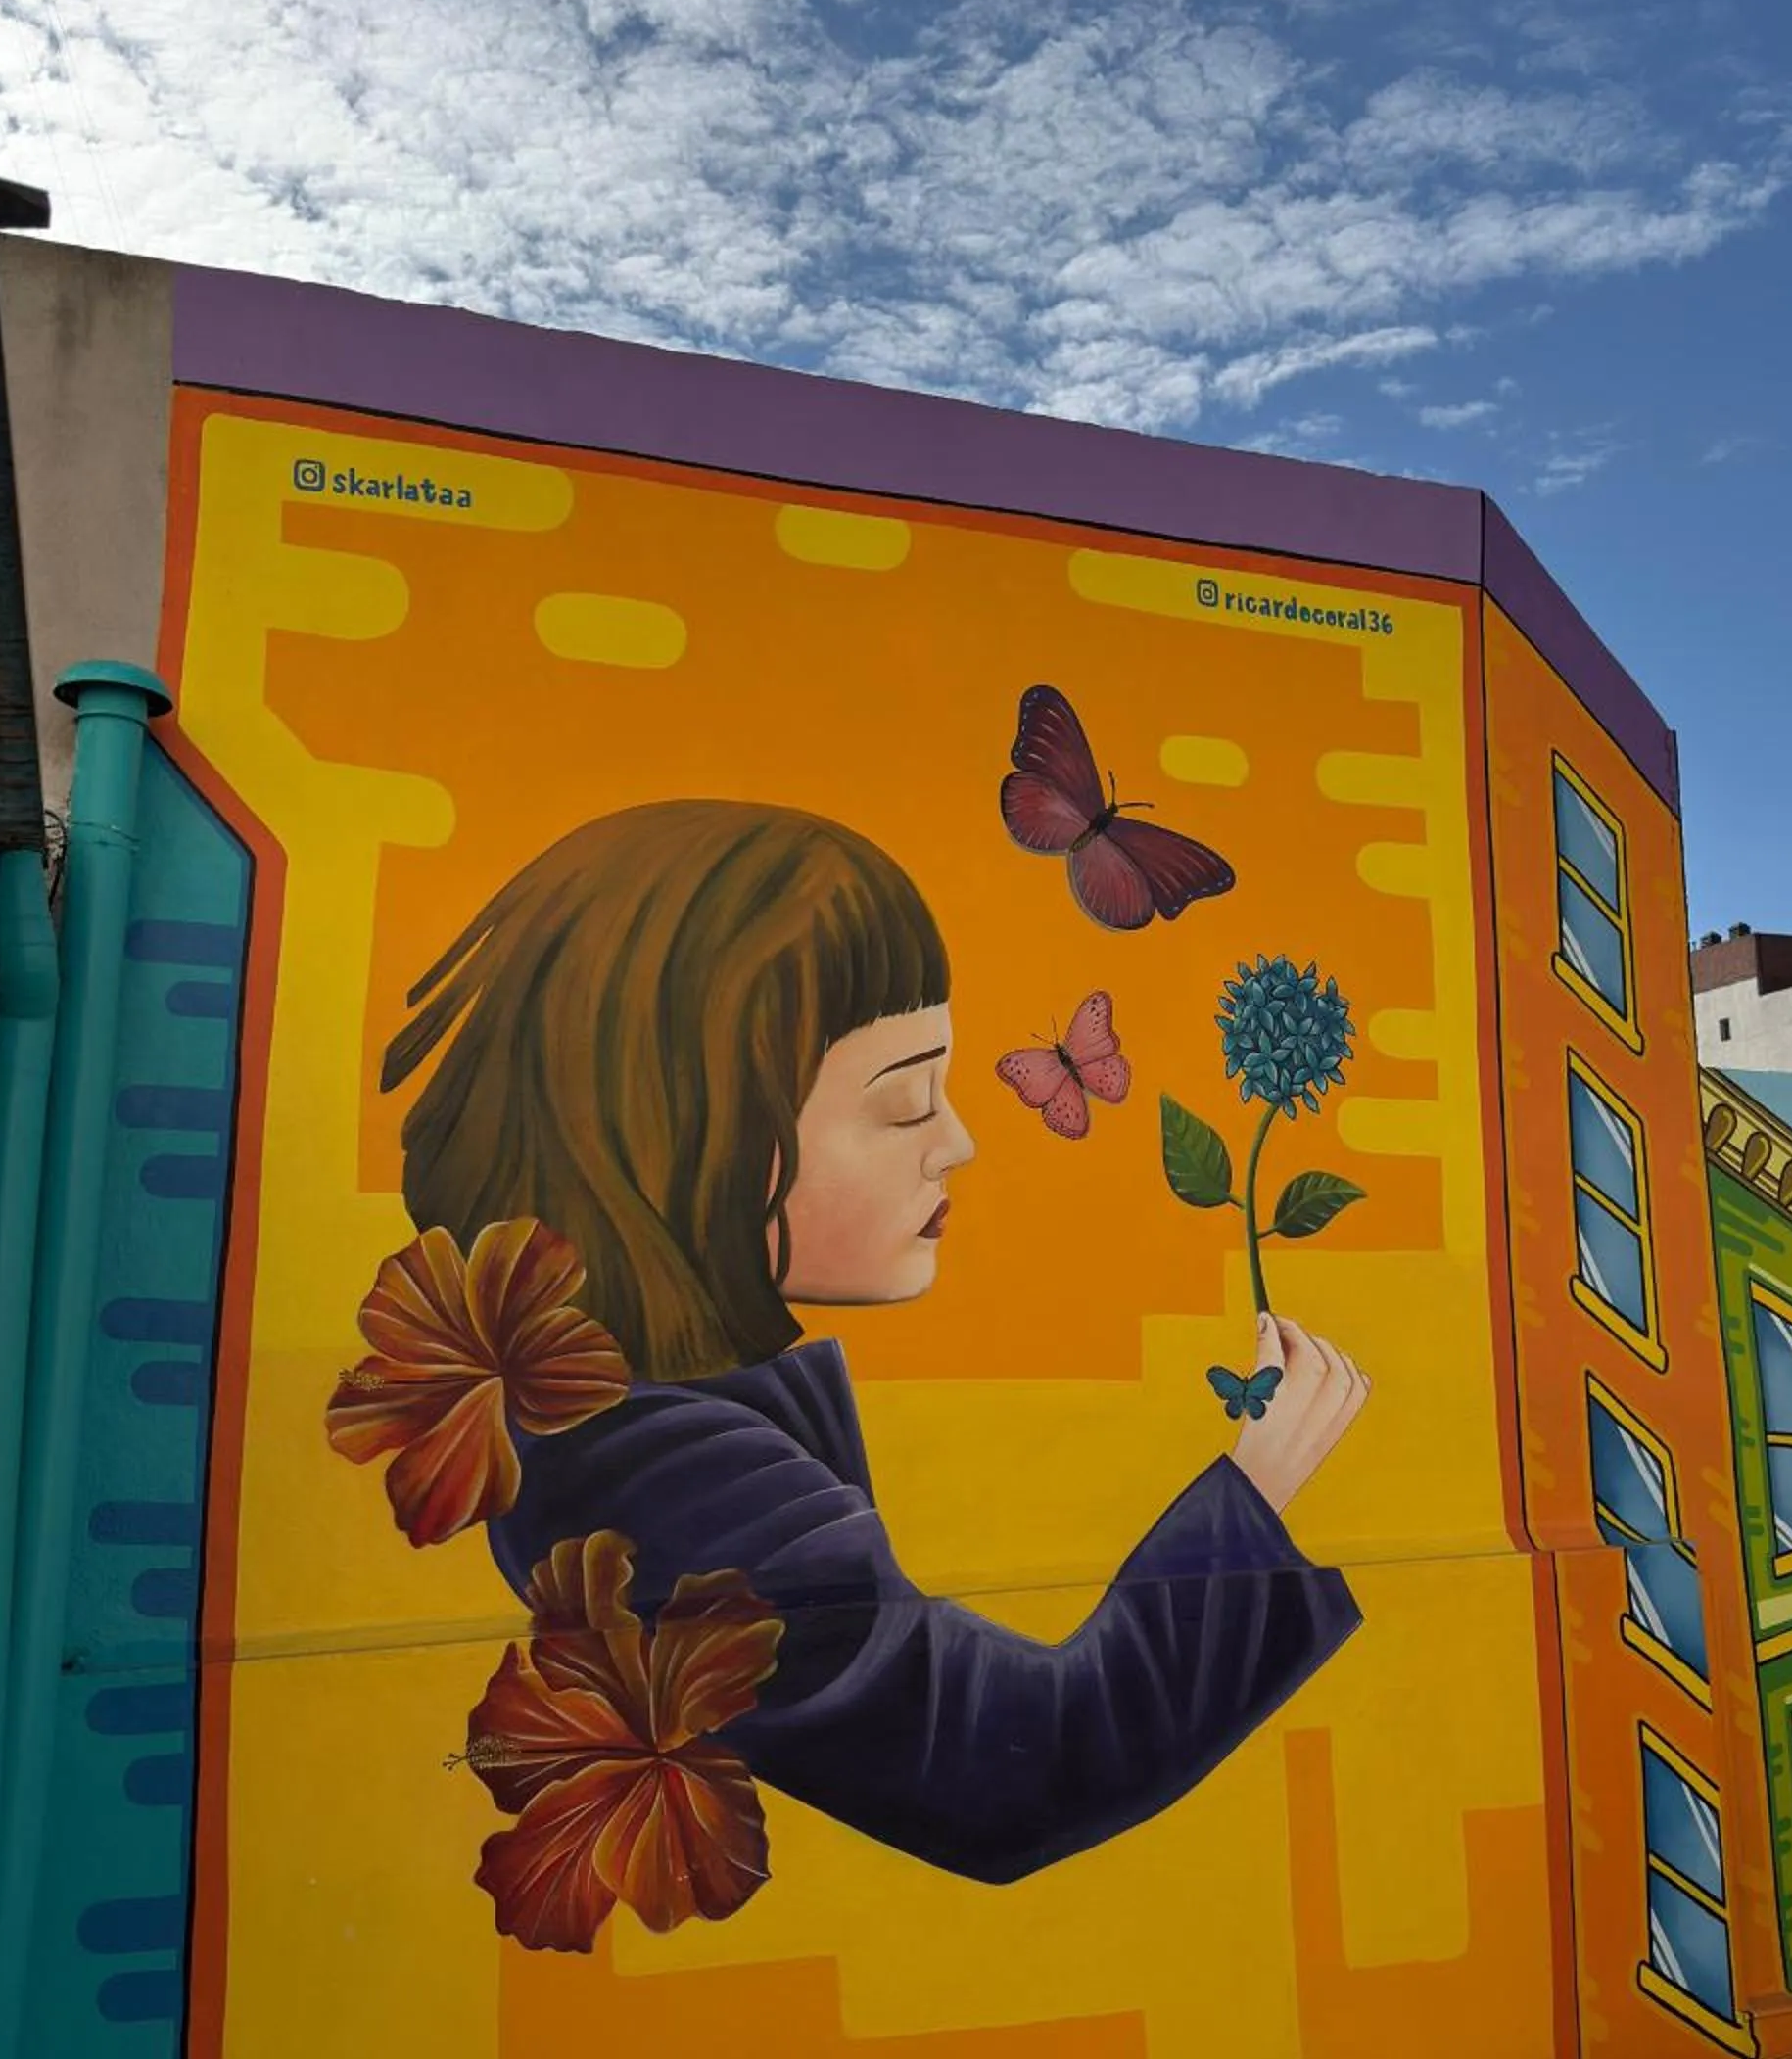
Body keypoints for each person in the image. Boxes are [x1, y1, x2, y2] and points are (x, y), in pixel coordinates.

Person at [378, 800, 1368, 1886]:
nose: (960, 1141)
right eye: (904, 1101)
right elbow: (1025, 1765)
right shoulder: (668, 1486)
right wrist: (1253, 1492)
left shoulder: (633, 1414)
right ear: (699, 1128)